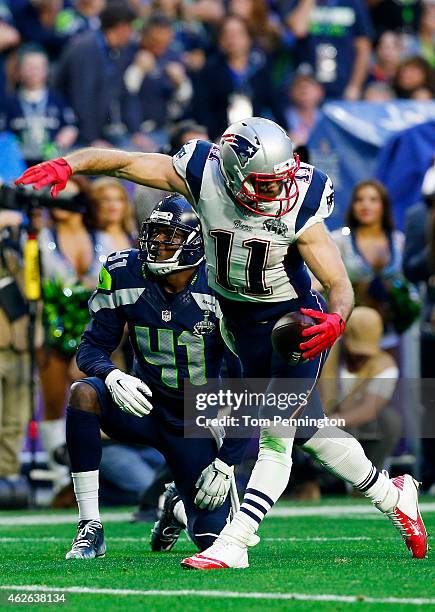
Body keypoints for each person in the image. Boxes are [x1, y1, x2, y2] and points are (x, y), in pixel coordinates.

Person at [16, 116, 428, 569]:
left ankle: (236, 541)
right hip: (239, 324)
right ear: (232, 173)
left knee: (276, 432)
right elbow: (125, 162)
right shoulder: (203, 174)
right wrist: (67, 165)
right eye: (264, 183)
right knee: (308, 428)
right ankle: (394, 496)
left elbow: (337, 279)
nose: (277, 191)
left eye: (281, 179)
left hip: (292, 321)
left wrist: (336, 318)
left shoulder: (301, 198)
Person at [41, 194, 239, 559]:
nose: (157, 244)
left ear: (196, 244)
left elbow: (244, 375)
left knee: (213, 538)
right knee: (83, 393)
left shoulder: (222, 284)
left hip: (194, 417)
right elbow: (90, 349)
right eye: (155, 233)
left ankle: (174, 508)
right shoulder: (124, 272)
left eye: (170, 237)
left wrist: (228, 455)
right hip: (142, 402)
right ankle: (90, 527)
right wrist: (113, 376)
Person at [330, 306, 401, 470]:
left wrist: (332, 422)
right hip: (320, 417)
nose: (359, 355)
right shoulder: (328, 354)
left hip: (356, 425)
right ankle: (307, 481)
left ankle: (368, 478)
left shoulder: (385, 366)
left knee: (390, 421)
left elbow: (369, 408)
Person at [3, 47, 78, 166]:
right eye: (29, 67)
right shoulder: (10, 102)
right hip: (20, 163)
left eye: (39, 67)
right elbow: (4, 133)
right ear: (20, 70)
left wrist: (59, 144)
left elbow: (71, 127)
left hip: (51, 163)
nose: (34, 72)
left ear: (47, 70)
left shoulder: (57, 99)